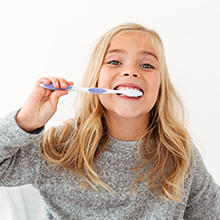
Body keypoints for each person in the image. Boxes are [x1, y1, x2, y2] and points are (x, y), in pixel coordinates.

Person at [0, 23, 219, 220]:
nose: (130, 71)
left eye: (147, 66)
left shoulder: (180, 156)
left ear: (160, 89)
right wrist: (24, 123)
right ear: (95, 80)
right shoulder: (58, 149)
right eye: (115, 61)